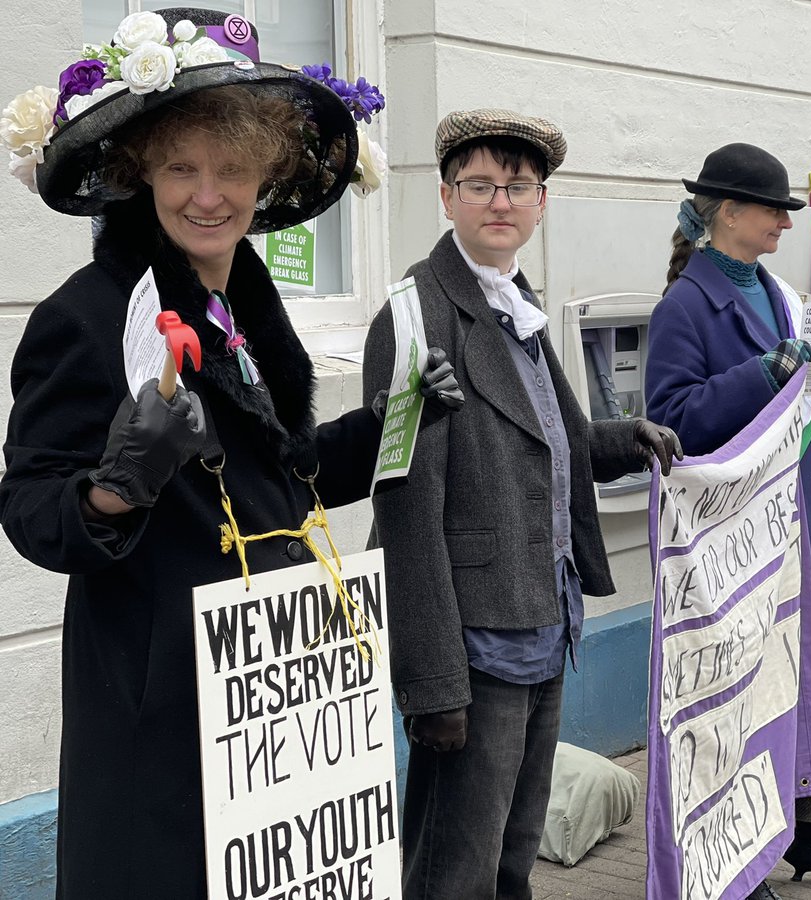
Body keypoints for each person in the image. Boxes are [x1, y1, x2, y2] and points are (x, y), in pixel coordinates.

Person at [0, 9, 457, 897]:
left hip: (273, 691)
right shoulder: (86, 317)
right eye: (182, 168)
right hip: (162, 698)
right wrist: (113, 489)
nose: (208, 196)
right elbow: (28, 508)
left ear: (265, 179)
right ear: (141, 173)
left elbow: (275, 477)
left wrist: (388, 421)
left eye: (233, 170)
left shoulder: (244, 308)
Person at [363, 108, 682, 900]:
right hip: (473, 638)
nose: (500, 202)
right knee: (455, 865)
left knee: (513, 849)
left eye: (518, 186)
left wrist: (626, 435)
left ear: (541, 201)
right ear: (444, 197)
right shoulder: (415, 317)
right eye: (480, 185)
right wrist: (432, 684)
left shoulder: (515, 300)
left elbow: (557, 435)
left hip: (544, 613)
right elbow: (405, 514)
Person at [645, 142, 811, 895]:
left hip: (796, 513)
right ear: (727, 213)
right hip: (737, 535)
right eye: (771, 210)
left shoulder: (779, 293)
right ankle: (738, 853)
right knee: (747, 692)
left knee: (804, 677)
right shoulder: (684, 304)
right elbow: (671, 422)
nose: (785, 222)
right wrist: (765, 371)